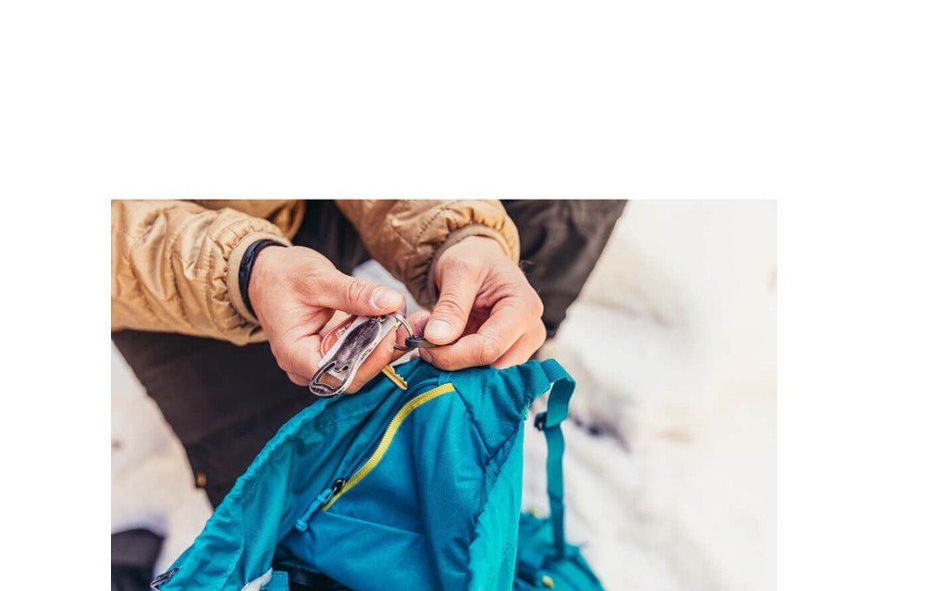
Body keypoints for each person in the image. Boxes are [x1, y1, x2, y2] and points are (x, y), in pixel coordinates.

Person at [112, 199, 626, 507]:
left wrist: (459, 233)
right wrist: (243, 271)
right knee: (300, 493)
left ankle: (500, 362)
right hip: (158, 265)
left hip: (317, 205)